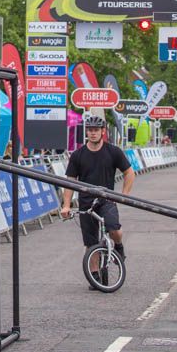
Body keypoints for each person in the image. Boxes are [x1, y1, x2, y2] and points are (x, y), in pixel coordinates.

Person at [59, 114, 135, 266]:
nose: (93, 133)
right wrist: (66, 205)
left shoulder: (113, 151)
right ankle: (94, 276)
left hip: (107, 199)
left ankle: (118, 246)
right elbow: (70, 181)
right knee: (91, 244)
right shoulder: (78, 155)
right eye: (90, 130)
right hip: (86, 202)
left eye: (96, 130)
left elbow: (129, 173)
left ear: (102, 131)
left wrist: (124, 195)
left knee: (114, 230)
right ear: (86, 132)